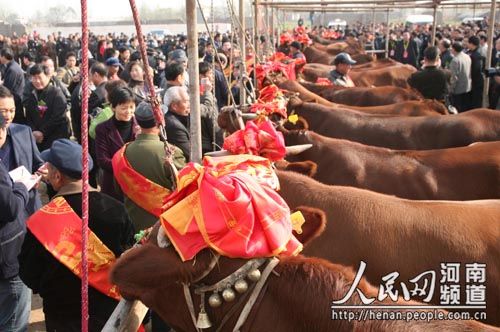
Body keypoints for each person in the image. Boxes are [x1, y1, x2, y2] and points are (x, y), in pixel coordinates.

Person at [18, 139, 135, 332]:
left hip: (62, 315)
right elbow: (128, 258)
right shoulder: (117, 210)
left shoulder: (42, 220)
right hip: (109, 312)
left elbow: (29, 274)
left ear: (57, 176)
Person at [0, 115, 31, 332]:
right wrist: (20, 187)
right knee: (13, 322)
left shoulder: (23, 134)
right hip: (7, 255)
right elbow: (10, 208)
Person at [95, 86, 138, 201]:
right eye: (124, 108)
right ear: (113, 107)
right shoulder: (102, 129)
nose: (128, 112)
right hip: (113, 185)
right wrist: (125, 169)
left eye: (131, 107)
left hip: (137, 184)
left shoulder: (140, 126)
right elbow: (102, 160)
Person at [23, 64, 71, 151]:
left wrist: (42, 132)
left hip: (55, 137)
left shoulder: (56, 93)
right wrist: (33, 131)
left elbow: (58, 117)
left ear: (48, 77)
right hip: (37, 138)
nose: (37, 81)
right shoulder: (32, 95)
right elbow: (29, 116)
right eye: (34, 78)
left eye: (39, 77)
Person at [164, 86, 190, 160]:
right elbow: (190, 154)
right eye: (185, 102)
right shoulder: (174, 127)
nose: (189, 105)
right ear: (174, 106)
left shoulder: (174, 118)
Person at [0, 48, 25, 124]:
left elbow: (7, 88)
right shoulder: (12, 65)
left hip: (15, 101)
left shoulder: (12, 69)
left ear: (4, 57)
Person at [449, 42, 472, 113]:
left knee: (458, 109)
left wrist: (451, 89)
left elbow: (454, 77)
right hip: (467, 87)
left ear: (454, 49)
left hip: (458, 89)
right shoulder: (467, 56)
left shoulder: (455, 60)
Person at [467, 35, 485, 109]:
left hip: (476, 82)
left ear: (471, 44)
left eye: (468, 43)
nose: (467, 44)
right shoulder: (471, 52)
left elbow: (476, 70)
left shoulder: (477, 55)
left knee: (476, 102)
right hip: (474, 82)